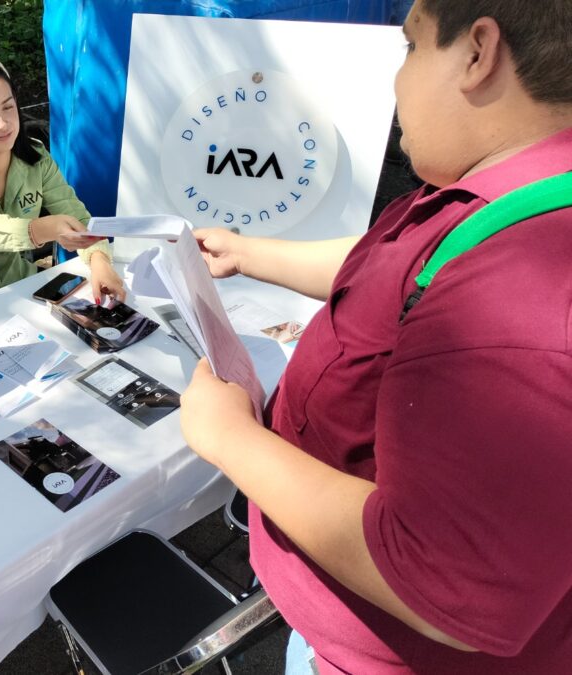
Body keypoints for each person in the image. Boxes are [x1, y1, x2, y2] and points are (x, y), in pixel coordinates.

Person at [179, 1, 572, 672]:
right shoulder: (506, 202)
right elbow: (403, 273)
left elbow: (446, 578)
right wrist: (249, 253)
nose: (398, 82)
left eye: (412, 48)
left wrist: (231, 438)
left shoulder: (523, 293)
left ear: (478, 53)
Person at [0, 55, 125, 303]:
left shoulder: (35, 157)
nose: (2, 123)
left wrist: (99, 262)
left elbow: (78, 218)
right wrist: (43, 228)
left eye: (8, 107)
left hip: (20, 287)